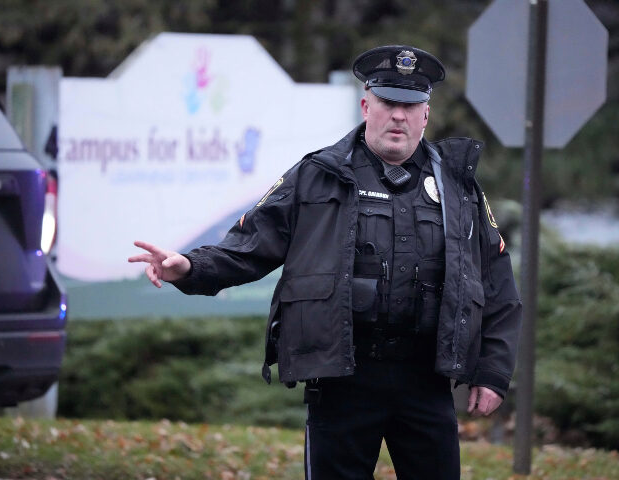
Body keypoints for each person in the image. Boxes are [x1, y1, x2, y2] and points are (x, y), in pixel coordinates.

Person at [128, 45, 522, 480]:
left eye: (410, 106)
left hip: (425, 379)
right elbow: (251, 243)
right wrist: (189, 266)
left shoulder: (458, 185)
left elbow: (497, 281)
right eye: (389, 103)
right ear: (366, 105)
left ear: (425, 114)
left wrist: (492, 370)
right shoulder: (319, 174)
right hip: (343, 375)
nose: (398, 116)